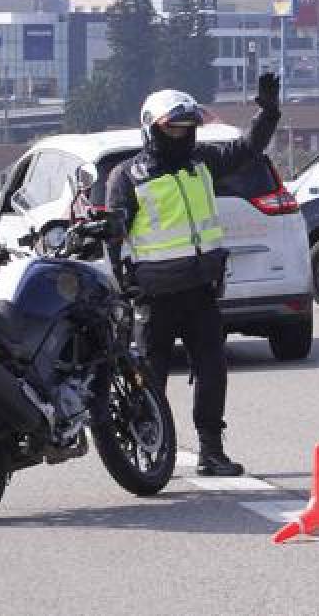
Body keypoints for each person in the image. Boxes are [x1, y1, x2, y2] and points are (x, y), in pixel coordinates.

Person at [106, 73, 281, 477]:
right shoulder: (128, 177)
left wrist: (268, 113)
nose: (183, 135)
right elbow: (112, 235)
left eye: (188, 128)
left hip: (200, 290)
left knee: (213, 369)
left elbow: (247, 148)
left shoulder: (200, 163)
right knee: (149, 379)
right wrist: (121, 285)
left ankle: (211, 451)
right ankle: (149, 452)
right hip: (154, 295)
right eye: (174, 128)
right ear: (152, 127)